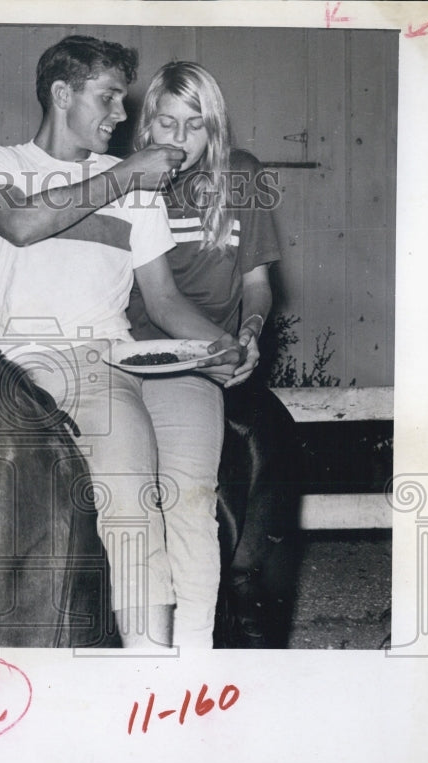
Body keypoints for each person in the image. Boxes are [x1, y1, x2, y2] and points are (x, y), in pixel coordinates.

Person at [0, 36, 244, 648]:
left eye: (122, 101)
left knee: (133, 511)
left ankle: (152, 665)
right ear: (63, 94)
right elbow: (20, 222)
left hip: (103, 367)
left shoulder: (136, 187)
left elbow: (165, 300)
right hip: (15, 370)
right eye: (109, 98)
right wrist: (123, 175)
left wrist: (226, 345)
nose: (122, 115)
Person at [127, 61, 300, 647]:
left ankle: (226, 622)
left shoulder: (242, 176)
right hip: (147, 354)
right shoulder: (130, 180)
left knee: (225, 477)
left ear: (214, 129)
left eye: (194, 125)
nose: (178, 139)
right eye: (166, 122)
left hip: (219, 356)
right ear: (147, 123)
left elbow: (256, 281)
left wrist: (249, 334)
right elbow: (153, 298)